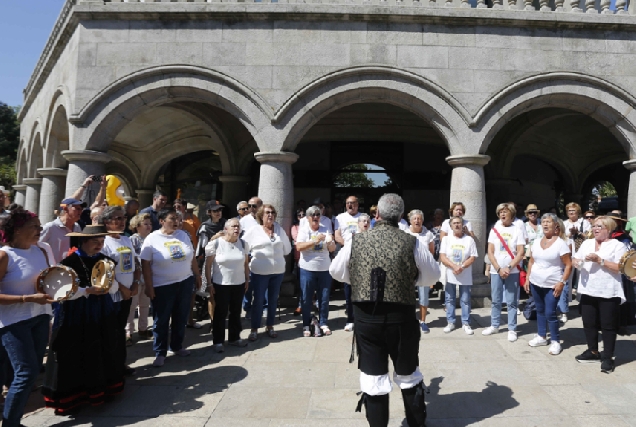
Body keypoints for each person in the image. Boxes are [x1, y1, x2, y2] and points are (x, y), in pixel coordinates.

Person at [329, 193, 439, 427]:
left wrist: (358, 281)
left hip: (367, 318)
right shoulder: (412, 242)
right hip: (402, 318)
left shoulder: (356, 241)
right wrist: (408, 280)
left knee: (374, 378)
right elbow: (432, 275)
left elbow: (336, 271)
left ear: (376, 214)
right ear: (400, 215)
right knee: (409, 375)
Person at [42, 225, 125, 415]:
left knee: (103, 347)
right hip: (76, 313)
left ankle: (102, 390)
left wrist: (108, 287)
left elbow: (113, 287)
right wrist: (86, 291)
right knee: (75, 351)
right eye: (95, 241)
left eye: (101, 241)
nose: (99, 244)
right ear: (83, 241)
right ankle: (74, 398)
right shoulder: (69, 262)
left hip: (102, 310)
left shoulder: (106, 261)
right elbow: (61, 292)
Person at [0, 208, 55, 427]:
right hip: (13, 322)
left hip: (40, 317)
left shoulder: (39, 251)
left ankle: (14, 419)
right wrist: (26, 298)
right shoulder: (5, 255)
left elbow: (45, 280)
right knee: (26, 372)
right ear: (17, 230)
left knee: (26, 374)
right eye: (35, 227)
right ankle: (10, 423)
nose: (39, 231)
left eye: (40, 227)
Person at [140, 208, 201, 368]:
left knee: (181, 316)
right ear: (161, 221)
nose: (177, 222)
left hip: (185, 282)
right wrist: (149, 286)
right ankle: (160, 352)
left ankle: (177, 346)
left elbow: (192, 256)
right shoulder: (152, 239)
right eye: (172, 219)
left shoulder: (183, 235)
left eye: (178, 219)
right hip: (162, 286)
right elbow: (145, 264)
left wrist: (197, 275)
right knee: (161, 320)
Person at [573, 216, 628, 373]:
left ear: (609, 230)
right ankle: (593, 351)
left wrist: (600, 260)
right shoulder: (587, 243)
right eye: (594, 226)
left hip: (608, 291)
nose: (595, 229)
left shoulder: (617, 246)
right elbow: (576, 258)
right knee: (589, 322)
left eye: (600, 227)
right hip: (587, 289)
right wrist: (576, 261)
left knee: (608, 325)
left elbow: (620, 268)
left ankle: (608, 357)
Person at [100, 206, 140, 375]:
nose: (122, 221)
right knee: (111, 331)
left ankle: (120, 363)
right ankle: (109, 366)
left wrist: (136, 282)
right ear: (106, 222)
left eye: (123, 218)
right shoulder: (103, 241)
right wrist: (122, 288)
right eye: (117, 218)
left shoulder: (126, 239)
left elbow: (135, 263)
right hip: (112, 294)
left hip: (128, 292)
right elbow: (103, 271)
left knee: (121, 329)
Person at [525, 214, 572, 356]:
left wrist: (562, 282)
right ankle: (541, 336)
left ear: (556, 226)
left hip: (553, 285)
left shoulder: (560, 243)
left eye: (549, 222)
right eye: (543, 222)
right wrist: (527, 279)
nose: (545, 224)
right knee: (539, 310)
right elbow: (532, 262)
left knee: (550, 312)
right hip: (535, 282)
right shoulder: (537, 241)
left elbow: (568, 265)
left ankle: (556, 341)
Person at [243, 204, 291, 341]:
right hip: (259, 272)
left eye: (272, 213)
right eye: (267, 213)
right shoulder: (254, 230)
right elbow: (244, 248)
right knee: (258, 300)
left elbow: (287, 249)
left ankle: (270, 326)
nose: (270, 215)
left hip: (278, 272)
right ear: (261, 216)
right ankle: (254, 329)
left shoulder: (279, 230)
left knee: (272, 300)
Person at [205, 218, 249, 352]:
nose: (237, 229)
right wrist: (209, 284)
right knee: (220, 313)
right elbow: (207, 266)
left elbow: (246, 264)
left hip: (239, 283)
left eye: (238, 227)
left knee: (236, 312)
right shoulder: (216, 244)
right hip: (221, 284)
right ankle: (218, 341)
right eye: (234, 226)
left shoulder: (243, 243)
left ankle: (234, 338)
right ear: (226, 229)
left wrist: (247, 279)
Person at [484, 202, 525, 342]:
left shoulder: (517, 230)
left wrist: (508, 267)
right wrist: (497, 268)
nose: (502, 214)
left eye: (505, 211)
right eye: (500, 212)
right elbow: (490, 251)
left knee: (512, 301)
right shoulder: (494, 229)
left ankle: (512, 328)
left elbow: (520, 252)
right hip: (497, 271)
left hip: (511, 271)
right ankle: (494, 325)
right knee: (495, 300)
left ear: (511, 214)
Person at [296, 206, 336, 337]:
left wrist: (330, 243)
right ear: (307, 218)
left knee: (324, 298)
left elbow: (331, 249)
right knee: (306, 299)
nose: (315, 217)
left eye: (317, 214)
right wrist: (314, 240)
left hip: (324, 269)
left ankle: (323, 322)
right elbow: (299, 247)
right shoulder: (304, 230)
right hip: (307, 269)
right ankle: (306, 324)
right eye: (312, 215)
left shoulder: (326, 229)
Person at [439, 216, 478, 335]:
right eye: (454, 223)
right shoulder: (446, 239)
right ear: (450, 226)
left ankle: (465, 323)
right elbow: (442, 256)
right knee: (449, 299)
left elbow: (473, 256)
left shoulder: (469, 240)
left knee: (465, 299)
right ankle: (451, 322)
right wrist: (454, 267)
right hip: (450, 273)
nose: (457, 225)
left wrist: (462, 266)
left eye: (459, 223)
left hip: (464, 273)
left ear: (463, 226)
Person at [405, 210, 435, 333]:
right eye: (415, 219)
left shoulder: (428, 234)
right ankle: (409, 321)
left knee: (424, 298)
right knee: (408, 297)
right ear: (410, 221)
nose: (417, 221)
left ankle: (423, 321)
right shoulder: (405, 234)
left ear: (422, 220)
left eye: (419, 219)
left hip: (424, 272)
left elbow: (431, 253)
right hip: (409, 271)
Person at [561, 202, 591, 323]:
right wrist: (569, 233)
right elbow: (562, 237)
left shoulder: (585, 222)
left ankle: (581, 302)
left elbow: (589, 237)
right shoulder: (564, 223)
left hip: (580, 254)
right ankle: (565, 306)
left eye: (573, 211)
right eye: (569, 211)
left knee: (581, 279)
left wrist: (578, 233)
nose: (571, 213)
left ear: (578, 212)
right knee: (567, 279)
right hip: (567, 254)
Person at [335, 195, 361, 332]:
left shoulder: (364, 217)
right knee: (348, 288)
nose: (350, 205)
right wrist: (349, 245)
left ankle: (361, 318)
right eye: (348, 203)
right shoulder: (340, 218)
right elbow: (337, 235)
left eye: (353, 203)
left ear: (357, 204)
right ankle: (350, 319)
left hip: (362, 256)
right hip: (348, 256)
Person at [128, 213, 153, 339]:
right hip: (136, 276)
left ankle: (143, 328)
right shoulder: (133, 240)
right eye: (145, 224)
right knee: (132, 305)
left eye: (150, 224)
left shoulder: (153, 239)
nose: (149, 226)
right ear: (137, 226)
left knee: (145, 304)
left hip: (148, 276)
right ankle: (128, 332)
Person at [39, 197, 85, 263]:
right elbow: (36, 247)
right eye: (77, 208)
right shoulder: (50, 227)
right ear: (66, 209)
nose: (80, 211)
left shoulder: (77, 227)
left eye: (81, 209)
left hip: (71, 269)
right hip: (53, 270)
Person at [291, 208, 305, 316]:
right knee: (300, 284)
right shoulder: (294, 227)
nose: (301, 217)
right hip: (299, 258)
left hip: (310, 258)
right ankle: (300, 305)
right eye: (299, 215)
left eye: (303, 215)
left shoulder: (311, 226)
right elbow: (297, 240)